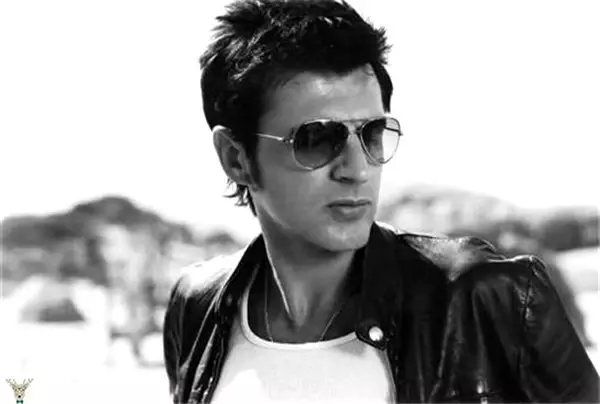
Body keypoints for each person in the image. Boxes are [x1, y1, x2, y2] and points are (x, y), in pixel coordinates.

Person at [162, 0, 599, 402]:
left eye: (371, 134)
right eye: (317, 139)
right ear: (235, 158)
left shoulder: (485, 298)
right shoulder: (198, 306)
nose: (357, 169)